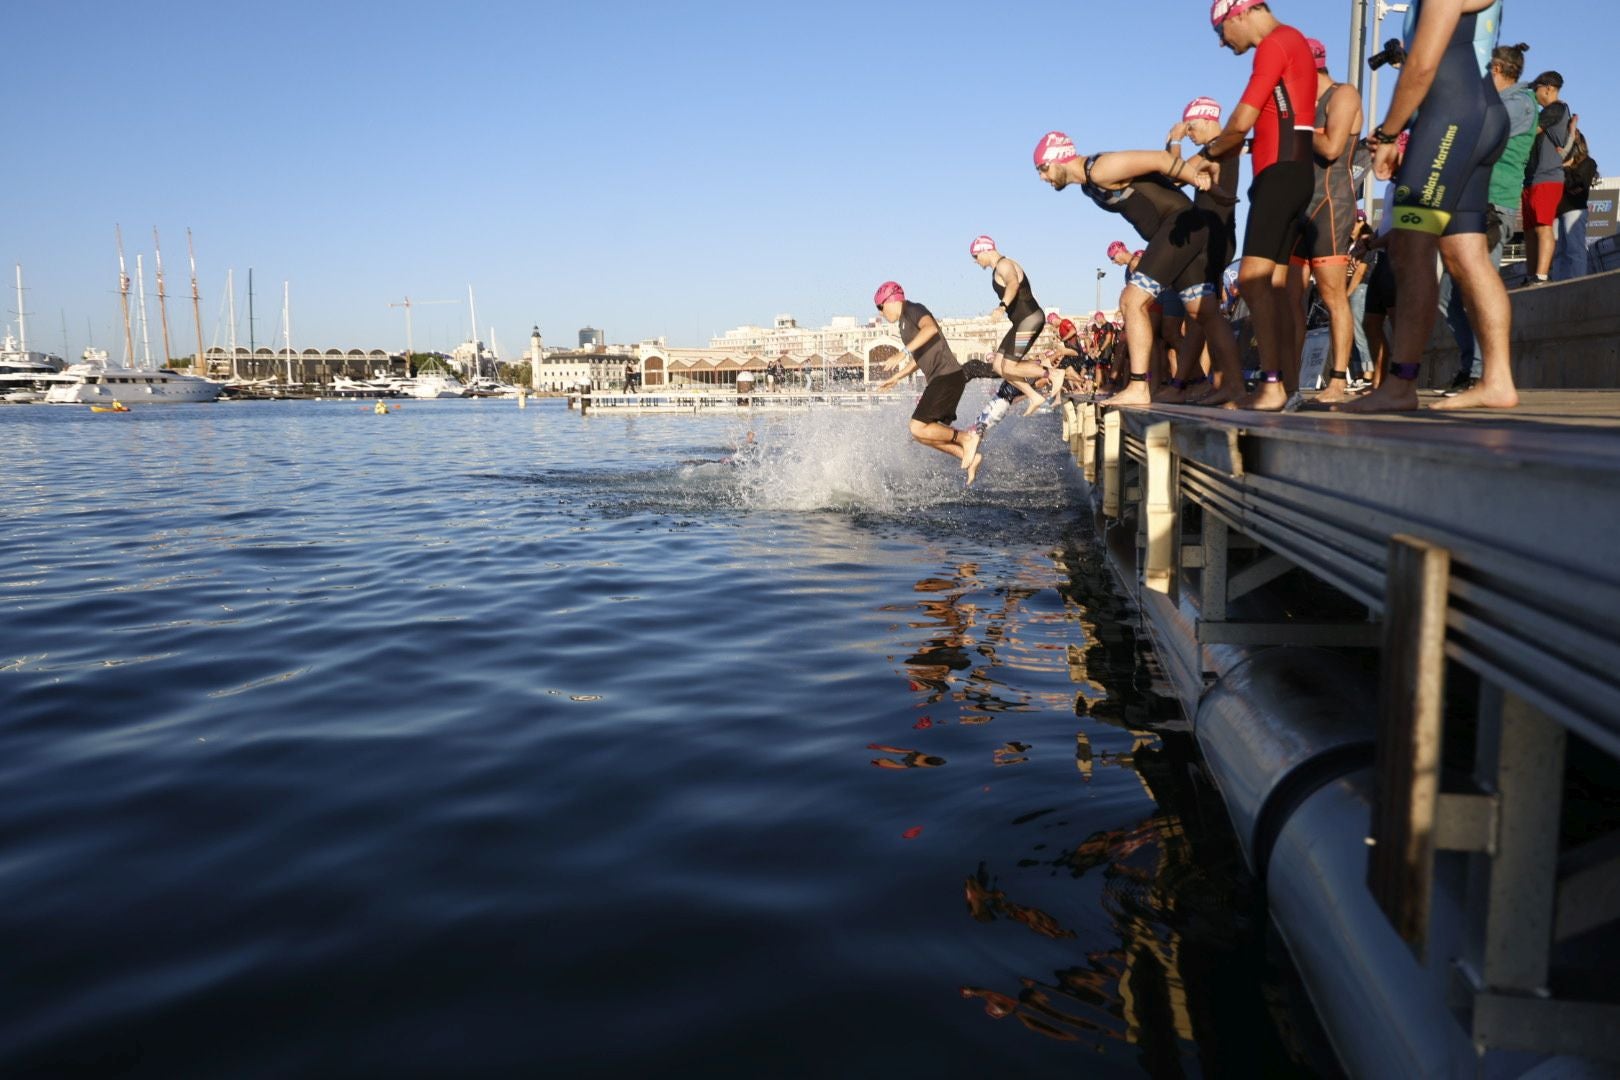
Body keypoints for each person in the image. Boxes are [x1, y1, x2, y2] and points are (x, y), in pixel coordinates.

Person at [1339, 0, 1517, 413]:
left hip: (1450, 117)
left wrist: (1388, 134)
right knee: (1465, 252)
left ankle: (1401, 383)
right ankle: (1498, 380)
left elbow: (1421, 63)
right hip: (1474, 114)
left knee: (1410, 246)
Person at [1199, 0, 1322, 412]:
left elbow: (1241, 120)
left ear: (1238, 14)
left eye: (1220, 32)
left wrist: (1206, 155)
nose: (1221, 43)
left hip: (1280, 175)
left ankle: (1271, 386)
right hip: (1294, 170)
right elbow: (1278, 118)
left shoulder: (1274, 43)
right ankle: (1288, 387)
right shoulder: (1294, 41)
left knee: (1252, 280)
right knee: (1276, 287)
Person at [1033, 130, 1206, 407]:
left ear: (1059, 158)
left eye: (1043, 168)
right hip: (1175, 231)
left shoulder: (1100, 168)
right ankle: (1206, 384)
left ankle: (1139, 386)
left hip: (1179, 225)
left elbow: (1161, 160)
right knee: (1203, 311)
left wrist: (1196, 178)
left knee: (1131, 299)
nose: (1042, 177)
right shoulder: (1089, 184)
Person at [1286, 38, 1364, 404]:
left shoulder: (1343, 95)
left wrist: (1298, 129)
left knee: (1333, 296)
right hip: (1299, 204)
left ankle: (1337, 378)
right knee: (1291, 298)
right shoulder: (1303, 104)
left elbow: (1332, 147)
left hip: (1331, 204)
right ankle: (1288, 381)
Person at [1168, 95, 1253, 406]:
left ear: (1205, 121)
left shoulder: (1214, 150)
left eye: (1191, 128)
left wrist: (1175, 143)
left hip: (1214, 238)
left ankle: (1231, 383)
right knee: (1199, 316)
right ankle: (1195, 383)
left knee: (1207, 315)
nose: (1189, 134)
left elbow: (1173, 175)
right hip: (1217, 235)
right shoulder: (1225, 148)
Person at [872, 281, 985, 485]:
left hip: (948, 376)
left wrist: (901, 353)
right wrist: (896, 377)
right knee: (921, 434)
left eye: (880, 307)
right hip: (940, 380)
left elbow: (930, 329)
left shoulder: (913, 309)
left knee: (917, 427)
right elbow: (919, 357)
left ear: (889, 300)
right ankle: (966, 455)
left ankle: (966, 439)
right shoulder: (903, 325)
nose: (881, 313)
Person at [1522, 70, 1578, 285]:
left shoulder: (1557, 108)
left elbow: (1530, 130)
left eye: (1537, 89)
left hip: (1547, 178)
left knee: (1543, 227)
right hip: (1531, 179)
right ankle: (1530, 275)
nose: (1534, 94)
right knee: (1529, 231)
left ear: (1548, 89)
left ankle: (1541, 275)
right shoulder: (1550, 109)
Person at [1486, 42, 1537, 268]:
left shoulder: (1520, 103)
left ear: (1496, 69)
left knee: (1478, 283)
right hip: (1482, 199)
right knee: (1452, 291)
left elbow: (1483, 130)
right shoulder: (1503, 102)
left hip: (1494, 202)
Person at [1553, 132, 1596, 281]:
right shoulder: (1560, 164)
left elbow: (1577, 186)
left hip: (1574, 209)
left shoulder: (1588, 163)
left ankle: (1577, 282)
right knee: (1559, 252)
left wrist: (1566, 168)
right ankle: (1558, 283)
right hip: (1558, 211)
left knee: (1574, 249)